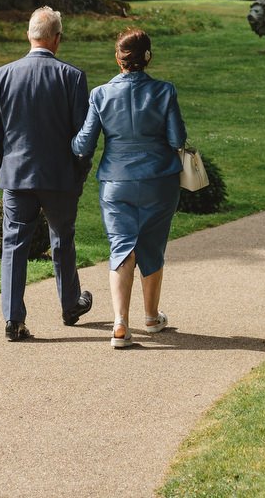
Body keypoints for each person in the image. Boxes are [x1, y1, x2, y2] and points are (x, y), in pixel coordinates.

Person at [0, 7, 94, 341]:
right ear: (57, 38)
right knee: (63, 240)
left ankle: (13, 318)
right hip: (60, 176)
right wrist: (79, 171)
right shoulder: (72, 76)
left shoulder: (2, 75)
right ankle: (70, 304)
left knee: (13, 245)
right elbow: (83, 135)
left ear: (30, 35)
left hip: (17, 175)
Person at [72, 28, 186, 349]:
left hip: (115, 183)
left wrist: (63, 141)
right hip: (159, 181)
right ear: (148, 57)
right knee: (152, 246)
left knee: (121, 246)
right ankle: (151, 318)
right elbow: (177, 139)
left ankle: (120, 325)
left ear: (117, 58)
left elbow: (83, 144)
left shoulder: (100, 95)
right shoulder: (165, 92)